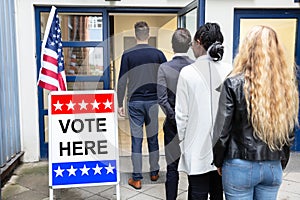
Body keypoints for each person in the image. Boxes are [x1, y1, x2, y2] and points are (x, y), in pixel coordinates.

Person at [212, 25, 298, 200]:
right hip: (272, 166)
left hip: (238, 165)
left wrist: (219, 161)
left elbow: (222, 132)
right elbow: (289, 133)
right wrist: (280, 162)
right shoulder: (285, 87)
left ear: (246, 49)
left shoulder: (233, 84)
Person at [175, 22, 232, 200]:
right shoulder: (230, 70)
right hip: (224, 149)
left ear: (199, 42)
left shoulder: (187, 73)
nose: (191, 46)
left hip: (196, 146)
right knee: (218, 193)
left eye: (193, 43)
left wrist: (183, 143)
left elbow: (181, 116)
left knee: (197, 193)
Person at [117, 21, 167, 190]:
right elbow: (165, 77)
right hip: (153, 102)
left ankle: (137, 178)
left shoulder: (128, 54)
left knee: (136, 140)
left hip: (135, 102)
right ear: (148, 35)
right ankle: (154, 172)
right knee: (153, 138)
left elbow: (122, 80)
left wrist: (119, 103)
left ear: (135, 35)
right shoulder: (158, 54)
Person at [157, 28, 194, 200]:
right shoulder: (196, 67)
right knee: (194, 169)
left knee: (172, 168)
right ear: (190, 46)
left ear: (172, 46)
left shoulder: (164, 68)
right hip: (193, 125)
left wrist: (174, 118)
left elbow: (162, 99)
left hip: (172, 126)